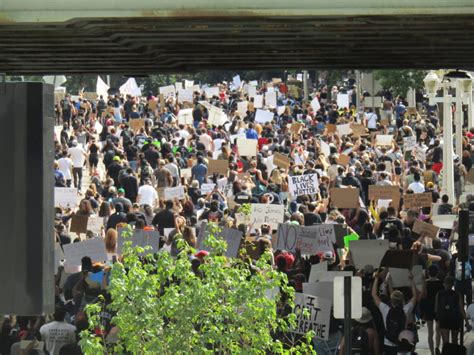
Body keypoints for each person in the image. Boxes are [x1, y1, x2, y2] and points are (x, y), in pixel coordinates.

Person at [372, 269, 417, 354]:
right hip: (401, 342)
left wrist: (376, 278)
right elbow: (415, 296)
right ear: (402, 300)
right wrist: (411, 280)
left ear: (391, 300)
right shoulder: (405, 310)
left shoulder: (385, 309)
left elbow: (374, 295)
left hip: (387, 342)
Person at [435, 276, 468, 346]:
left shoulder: (439, 294)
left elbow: (436, 308)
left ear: (444, 284)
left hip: (444, 318)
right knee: (455, 341)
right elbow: (461, 309)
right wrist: (466, 321)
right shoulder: (457, 294)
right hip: (454, 318)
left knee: (445, 342)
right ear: (453, 284)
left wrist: (437, 320)